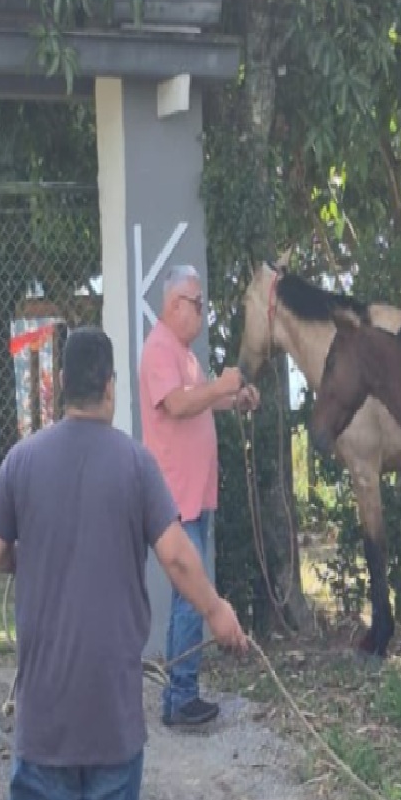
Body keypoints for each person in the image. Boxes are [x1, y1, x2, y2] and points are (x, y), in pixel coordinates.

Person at [0, 326, 249, 800]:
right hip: (111, 695)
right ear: (108, 388)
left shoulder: (23, 461)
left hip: (44, 693)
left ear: (62, 386)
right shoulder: (133, 465)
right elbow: (178, 554)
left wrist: (21, 554)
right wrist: (216, 612)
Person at [138, 264, 260, 728]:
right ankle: (182, 696)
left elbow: (201, 399)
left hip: (194, 493)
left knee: (189, 592)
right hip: (176, 496)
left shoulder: (184, 355)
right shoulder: (159, 351)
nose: (202, 312)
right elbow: (177, 404)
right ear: (173, 306)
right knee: (190, 593)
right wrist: (221, 387)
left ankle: (180, 695)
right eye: (197, 303)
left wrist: (235, 398)